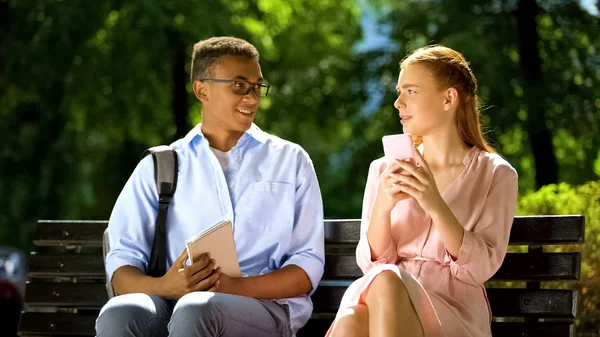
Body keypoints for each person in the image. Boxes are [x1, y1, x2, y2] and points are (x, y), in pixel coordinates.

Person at [95, 36, 325, 337]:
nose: (252, 98)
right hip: (174, 304)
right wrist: (165, 286)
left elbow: (307, 264)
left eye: (257, 87)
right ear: (202, 89)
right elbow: (122, 264)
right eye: (239, 86)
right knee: (120, 313)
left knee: (198, 309)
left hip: (265, 309)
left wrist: (234, 288)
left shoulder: (290, 160)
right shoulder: (161, 166)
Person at [326, 45, 518, 337]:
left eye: (411, 91)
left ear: (448, 98)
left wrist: (434, 203)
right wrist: (383, 206)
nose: (398, 103)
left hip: (454, 313)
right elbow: (371, 264)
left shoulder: (496, 174)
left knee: (383, 286)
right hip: (384, 298)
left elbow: (479, 269)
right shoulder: (383, 169)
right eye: (399, 91)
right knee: (357, 313)